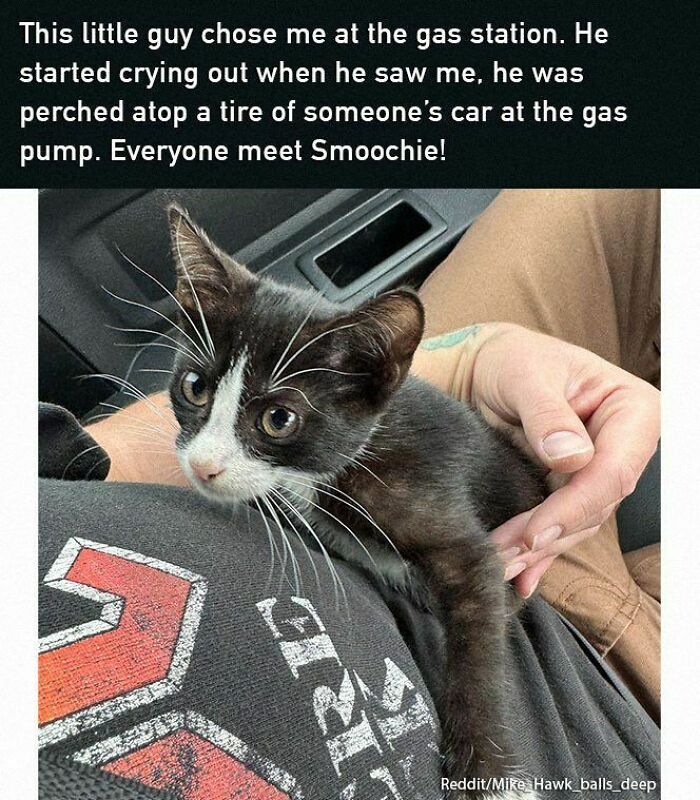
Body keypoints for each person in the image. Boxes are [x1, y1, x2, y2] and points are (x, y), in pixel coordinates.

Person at [39, 189, 660, 800]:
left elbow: (469, 570)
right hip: (575, 657)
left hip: (508, 505)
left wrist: (470, 355)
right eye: (196, 390)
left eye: (275, 422)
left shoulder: (376, 478)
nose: (203, 458)